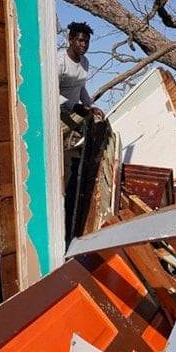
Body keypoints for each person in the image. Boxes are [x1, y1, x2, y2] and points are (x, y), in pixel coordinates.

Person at [58, 21, 105, 238]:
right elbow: (50, 90)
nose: (83, 45)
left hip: (75, 113)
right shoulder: (60, 62)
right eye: (80, 40)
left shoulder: (84, 62)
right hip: (59, 113)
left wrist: (91, 105)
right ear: (71, 40)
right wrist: (73, 106)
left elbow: (82, 89)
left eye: (86, 41)